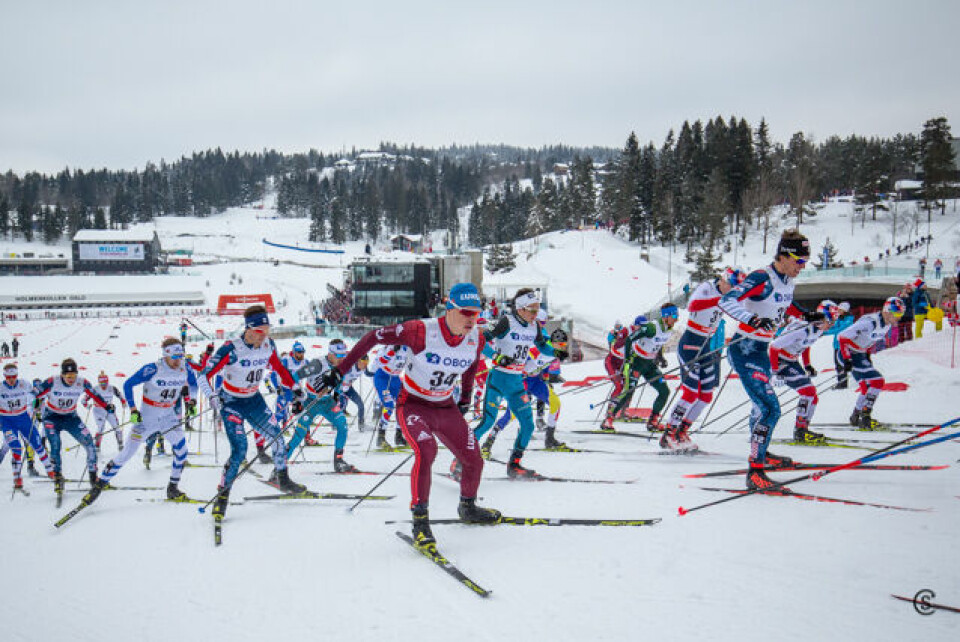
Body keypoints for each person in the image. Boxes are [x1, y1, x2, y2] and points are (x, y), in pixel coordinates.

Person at [334, 282, 500, 550]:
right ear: (449, 309)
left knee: (474, 460)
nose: (472, 319)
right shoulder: (421, 331)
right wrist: (341, 369)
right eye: (466, 312)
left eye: (476, 313)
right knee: (427, 451)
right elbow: (373, 337)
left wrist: (466, 398)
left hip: (445, 406)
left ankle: (467, 507)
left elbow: (471, 364)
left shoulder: (476, 337)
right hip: (413, 404)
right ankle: (420, 521)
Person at [719, 229, 812, 491]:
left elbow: (787, 306)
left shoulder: (786, 281)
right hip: (744, 349)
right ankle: (755, 472)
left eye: (805, 262)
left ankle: (762, 453)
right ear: (784, 256)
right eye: (799, 261)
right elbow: (726, 301)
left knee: (761, 408)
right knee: (771, 408)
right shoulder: (763, 277)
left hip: (760, 350)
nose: (802, 267)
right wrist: (752, 319)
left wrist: (809, 316)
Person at [203, 305, 306, 520]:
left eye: (267, 330)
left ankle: (282, 479)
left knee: (277, 437)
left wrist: (295, 388)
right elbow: (202, 375)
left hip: (254, 399)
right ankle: (222, 495)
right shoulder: (232, 349)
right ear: (249, 330)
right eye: (260, 331)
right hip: (231, 402)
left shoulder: (268, 345)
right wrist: (211, 396)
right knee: (240, 449)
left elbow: (279, 368)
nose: (264, 336)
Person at [86, 338, 199, 503]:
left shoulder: (185, 368)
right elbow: (128, 384)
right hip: (147, 418)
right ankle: (99, 485)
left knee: (181, 451)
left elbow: (194, 385)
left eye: (180, 356)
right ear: (166, 355)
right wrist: (132, 409)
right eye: (174, 357)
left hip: (168, 417)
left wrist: (192, 401)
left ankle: (172, 488)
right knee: (126, 454)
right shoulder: (153, 369)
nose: (178, 360)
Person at [470, 288, 554, 479]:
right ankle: (459, 462)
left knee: (528, 425)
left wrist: (557, 351)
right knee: (487, 422)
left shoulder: (535, 327)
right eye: (532, 310)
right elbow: (480, 341)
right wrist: (496, 357)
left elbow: (543, 347)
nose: (535, 314)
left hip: (517, 382)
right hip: (498, 379)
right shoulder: (506, 321)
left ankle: (514, 465)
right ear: (520, 308)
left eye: (537, 309)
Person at [661, 267, 745, 452]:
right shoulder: (707, 287)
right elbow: (693, 306)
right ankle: (668, 432)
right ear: (723, 279)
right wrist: (720, 299)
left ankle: (682, 430)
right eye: (729, 285)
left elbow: (740, 311)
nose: (730, 289)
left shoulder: (729, 295)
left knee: (706, 395)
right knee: (690, 393)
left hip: (706, 345)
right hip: (690, 342)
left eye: (734, 288)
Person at [769, 300, 841, 445]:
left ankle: (803, 428)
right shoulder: (803, 328)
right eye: (830, 322)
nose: (831, 325)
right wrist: (775, 372)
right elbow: (774, 346)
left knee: (813, 397)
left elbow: (806, 344)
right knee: (808, 392)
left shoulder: (817, 330)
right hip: (780, 360)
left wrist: (807, 365)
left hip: (791, 360)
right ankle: (800, 431)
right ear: (822, 319)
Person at [35, 358, 112, 491]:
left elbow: (95, 395)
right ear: (62, 374)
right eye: (68, 376)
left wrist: (107, 406)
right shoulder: (52, 381)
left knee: (89, 443)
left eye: (73, 376)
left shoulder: (82, 383)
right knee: (55, 444)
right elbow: (34, 393)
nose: (71, 379)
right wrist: (35, 402)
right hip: (52, 418)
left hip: (71, 417)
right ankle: (58, 476)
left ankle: (93, 477)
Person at [602, 305, 679, 432]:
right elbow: (629, 340)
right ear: (666, 316)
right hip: (637, 362)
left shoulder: (669, 329)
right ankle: (608, 419)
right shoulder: (651, 327)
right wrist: (627, 360)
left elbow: (658, 345)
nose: (677, 319)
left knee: (664, 391)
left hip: (649, 365)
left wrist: (661, 358)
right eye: (674, 316)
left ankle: (653, 421)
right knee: (628, 392)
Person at [286, 339, 355, 473]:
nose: (342, 359)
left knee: (342, 426)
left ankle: (338, 461)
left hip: (327, 402)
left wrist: (337, 394)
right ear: (330, 353)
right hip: (311, 401)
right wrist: (296, 399)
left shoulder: (342, 365)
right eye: (338, 356)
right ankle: (280, 468)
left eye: (343, 355)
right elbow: (294, 376)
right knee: (299, 434)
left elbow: (340, 381)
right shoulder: (317, 364)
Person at [838, 297, 905, 431]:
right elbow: (842, 337)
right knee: (877, 381)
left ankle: (856, 416)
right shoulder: (870, 322)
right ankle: (865, 416)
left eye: (901, 314)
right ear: (887, 312)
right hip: (849, 353)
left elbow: (870, 340)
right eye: (897, 314)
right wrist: (847, 359)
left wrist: (867, 355)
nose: (899, 317)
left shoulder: (886, 325)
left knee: (866, 387)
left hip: (860, 354)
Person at [0, 362, 55, 492]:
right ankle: (17, 478)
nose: (12, 380)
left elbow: (35, 395)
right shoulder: (1, 388)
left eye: (14, 376)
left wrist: (36, 401)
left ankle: (51, 472)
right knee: (16, 447)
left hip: (23, 418)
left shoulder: (24, 384)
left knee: (37, 445)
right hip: (7, 420)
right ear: (5, 376)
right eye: (9, 377)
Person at [370, 343, 410, 450]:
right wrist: (391, 352)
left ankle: (398, 435)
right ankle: (381, 436)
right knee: (389, 405)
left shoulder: (409, 348)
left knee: (403, 406)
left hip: (395, 379)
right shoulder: (389, 347)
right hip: (383, 377)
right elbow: (380, 362)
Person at [86, 371, 126, 453]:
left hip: (109, 410)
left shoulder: (112, 388)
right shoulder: (95, 389)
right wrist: (87, 406)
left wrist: (123, 402)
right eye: (102, 384)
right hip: (98, 411)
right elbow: (84, 400)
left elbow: (120, 395)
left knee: (117, 427)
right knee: (101, 428)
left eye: (105, 383)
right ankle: (97, 446)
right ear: (99, 382)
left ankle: (120, 444)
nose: (104, 385)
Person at [339, 354, 371, 431]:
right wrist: (342, 385)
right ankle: (336, 425)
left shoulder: (364, 368)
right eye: (364, 362)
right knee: (341, 407)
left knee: (361, 405)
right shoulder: (350, 367)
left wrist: (378, 374)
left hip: (349, 389)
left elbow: (368, 374)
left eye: (367, 362)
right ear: (358, 361)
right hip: (339, 389)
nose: (365, 364)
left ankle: (361, 424)